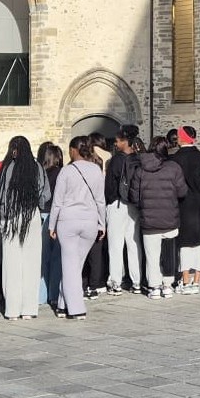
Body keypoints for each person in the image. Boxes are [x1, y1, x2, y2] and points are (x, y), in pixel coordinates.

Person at [0, 135, 51, 320]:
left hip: (10, 218)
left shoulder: (5, 168)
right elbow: (45, 193)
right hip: (31, 216)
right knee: (31, 263)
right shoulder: (37, 167)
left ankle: (12, 309)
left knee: (12, 264)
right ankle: (29, 309)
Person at [50, 136, 106, 319]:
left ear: (74, 150)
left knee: (69, 266)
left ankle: (76, 308)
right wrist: (102, 223)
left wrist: (52, 224)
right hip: (89, 221)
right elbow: (100, 200)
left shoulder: (66, 171)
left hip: (68, 221)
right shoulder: (96, 170)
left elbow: (57, 202)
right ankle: (62, 304)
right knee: (75, 265)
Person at [128, 135, 186, 299]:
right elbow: (182, 191)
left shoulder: (140, 170)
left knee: (152, 255)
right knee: (169, 254)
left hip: (149, 220)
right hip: (170, 218)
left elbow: (134, 197)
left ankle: (154, 286)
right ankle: (167, 285)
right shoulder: (174, 168)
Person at [168, 126, 200, 294]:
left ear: (184, 138)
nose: (177, 138)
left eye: (179, 136)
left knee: (184, 242)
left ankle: (185, 281)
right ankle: (196, 281)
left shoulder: (176, 159)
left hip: (183, 203)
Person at [104, 125, 142, 294]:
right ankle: (137, 281)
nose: (116, 143)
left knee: (116, 244)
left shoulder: (116, 160)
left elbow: (110, 185)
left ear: (125, 141)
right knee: (134, 243)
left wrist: (109, 200)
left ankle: (115, 282)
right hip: (134, 204)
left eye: (118, 140)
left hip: (118, 204)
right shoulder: (138, 158)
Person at [81, 132, 114, 298]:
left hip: (85, 208)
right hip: (103, 205)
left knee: (85, 249)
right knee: (100, 248)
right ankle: (98, 282)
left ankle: (85, 282)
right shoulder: (107, 157)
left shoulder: (84, 159)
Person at [37, 142, 65, 311]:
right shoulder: (61, 173)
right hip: (56, 216)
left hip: (40, 214)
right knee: (56, 258)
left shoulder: (39, 173)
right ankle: (53, 295)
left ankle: (40, 295)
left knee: (42, 258)